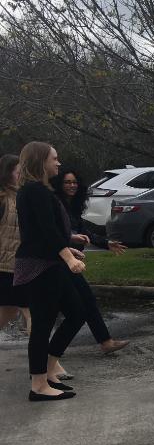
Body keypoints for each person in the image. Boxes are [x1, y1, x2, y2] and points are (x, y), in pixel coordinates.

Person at [14, 142, 86, 401]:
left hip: (49, 262)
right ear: (41, 161)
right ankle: (38, 385)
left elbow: (45, 232)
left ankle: (49, 368)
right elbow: (46, 229)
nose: (58, 162)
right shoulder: (34, 191)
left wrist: (67, 248)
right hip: (40, 266)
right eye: (54, 158)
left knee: (77, 313)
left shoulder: (38, 190)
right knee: (42, 324)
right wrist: (69, 258)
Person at [51, 166, 129, 355]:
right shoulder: (55, 204)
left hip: (70, 262)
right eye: (67, 182)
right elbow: (53, 233)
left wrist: (106, 243)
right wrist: (71, 240)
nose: (72, 186)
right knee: (76, 307)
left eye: (74, 182)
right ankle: (48, 352)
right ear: (59, 185)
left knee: (82, 303)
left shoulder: (72, 206)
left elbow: (84, 232)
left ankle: (105, 342)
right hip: (59, 261)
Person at [0, 154, 30, 336]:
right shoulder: (3, 199)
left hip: (19, 264)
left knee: (9, 311)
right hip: (5, 266)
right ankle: (43, 353)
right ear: (8, 173)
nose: (22, 175)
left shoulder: (20, 196)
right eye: (19, 172)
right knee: (31, 310)